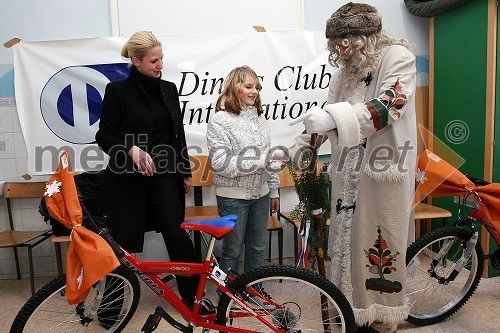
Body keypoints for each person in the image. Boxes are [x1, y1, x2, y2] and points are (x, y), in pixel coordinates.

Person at [289, 3, 417, 333]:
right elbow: (325, 117)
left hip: (382, 171)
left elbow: (391, 105)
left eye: (347, 43)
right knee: (345, 246)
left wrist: (332, 117)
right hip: (348, 172)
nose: (341, 51)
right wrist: (301, 145)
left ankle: (380, 319)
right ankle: (351, 312)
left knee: (379, 242)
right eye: (336, 45)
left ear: (366, 37)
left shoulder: (397, 58)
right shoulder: (345, 70)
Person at [95, 31, 199, 306]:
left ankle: (194, 300)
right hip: (127, 181)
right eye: (154, 60)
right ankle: (111, 308)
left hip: (165, 176)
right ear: (136, 61)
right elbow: (104, 135)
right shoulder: (117, 92)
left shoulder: (169, 89)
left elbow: (179, 134)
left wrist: (185, 171)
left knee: (177, 236)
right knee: (123, 245)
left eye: (161, 58)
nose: (160, 64)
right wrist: (130, 149)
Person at [207, 66, 281, 276]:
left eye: (256, 87)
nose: (254, 91)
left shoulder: (260, 118)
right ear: (234, 88)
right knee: (232, 250)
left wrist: (274, 190)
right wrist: (262, 160)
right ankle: (227, 298)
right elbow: (221, 163)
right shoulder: (220, 120)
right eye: (248, 86)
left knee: (257, 250)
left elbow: (268, 160)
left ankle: (253, 292)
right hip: (233, 198)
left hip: (262, 195)